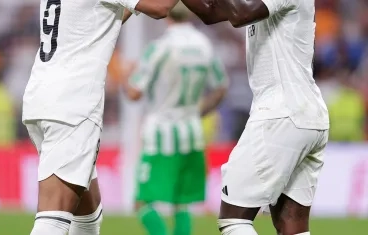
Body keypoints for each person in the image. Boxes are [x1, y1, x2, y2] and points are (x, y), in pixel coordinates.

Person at [22, 0, 183, 234]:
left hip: (41, 98)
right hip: (73, 105)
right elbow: (160, 7)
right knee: (53, 217)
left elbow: (97, 19)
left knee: (88, 214)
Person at [180, 0, 330, 234]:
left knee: (234, 219)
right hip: (306, 115)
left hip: (281, 113)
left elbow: (240, 13)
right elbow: (211, 13)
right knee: (292, 227)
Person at [122, 2, 227, 234]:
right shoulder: (204, 45)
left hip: (162, 133)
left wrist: (124, 76)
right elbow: (221, 87)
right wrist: (196, 113)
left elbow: (134, 93)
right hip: (192, 132)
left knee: (142, 201)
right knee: (182, 202)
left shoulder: (160, 47)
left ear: (167, 14)